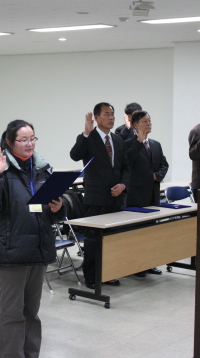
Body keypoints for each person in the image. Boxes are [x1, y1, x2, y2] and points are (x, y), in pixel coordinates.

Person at [0, 119, 64, 358]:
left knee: (31, 313)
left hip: (39, 249)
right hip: (12, 251)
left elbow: (54, 213)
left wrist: (58, 208)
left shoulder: (43, 168)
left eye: (32, 138)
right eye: (23, 140)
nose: (29, 144)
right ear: (10, 143)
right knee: (11, 315)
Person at [70, 103, 127, 289]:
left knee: (111, 238)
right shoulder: (89, 137)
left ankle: (108, 273)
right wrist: (86, 132)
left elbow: (124, 167)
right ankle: (92, 277)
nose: (111, 118)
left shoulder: (117, 140)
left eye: (113, 114)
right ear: (96, 117)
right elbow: (75, 155)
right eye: (107, 114)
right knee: (93, 241)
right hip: (95, 197)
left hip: (115, 196)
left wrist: (123, 185)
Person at [125, 111, 169, 207]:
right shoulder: (127, 144)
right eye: (145, 121)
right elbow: (127, 161)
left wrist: (157, 176)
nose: (148, 123)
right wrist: (139, 141)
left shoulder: (156, 144)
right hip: (136, 194)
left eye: (149, 121)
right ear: (136, 125)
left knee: (155, 221)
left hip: (154, 191)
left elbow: (164, 164)